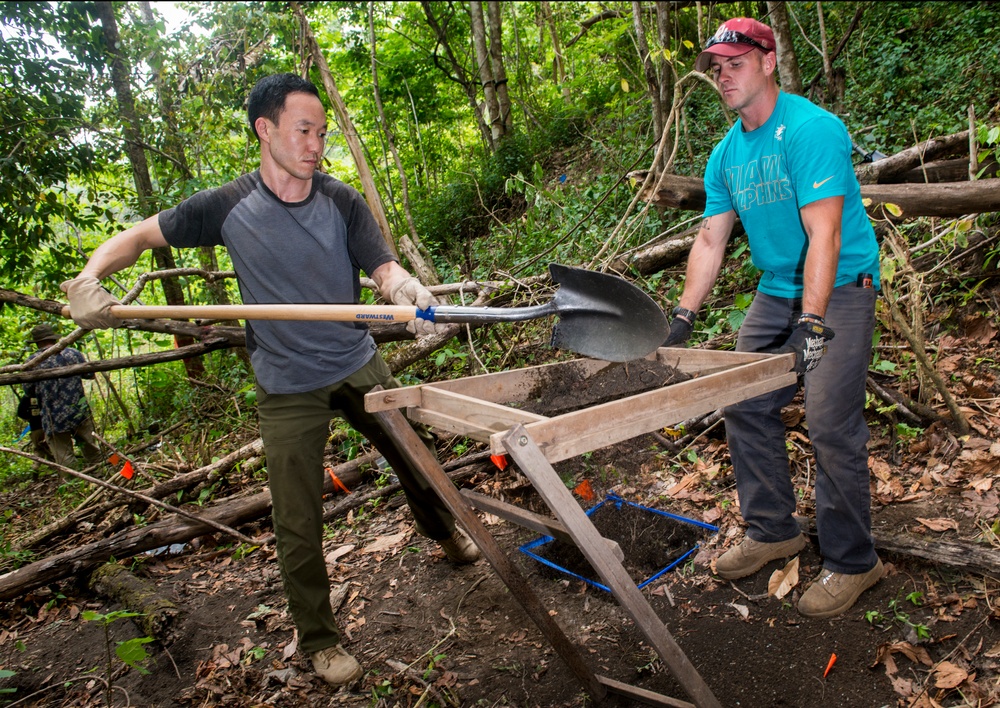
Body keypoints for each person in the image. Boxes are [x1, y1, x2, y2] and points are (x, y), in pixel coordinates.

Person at [61, 73, 480, 686]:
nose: (315, 144)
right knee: (297, 517)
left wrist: (403, 288)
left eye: (321, 132)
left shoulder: (339, 201)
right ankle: (319, 638)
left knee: (417, 459)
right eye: (303, 131)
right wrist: (89, 277)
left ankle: (444, 533)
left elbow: (383, 265)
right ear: (267, 129)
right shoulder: (227, 206)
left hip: (356, 361)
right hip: (286, 384)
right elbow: (137, 236)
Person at [664, 18, 882, 618]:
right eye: (717, 67)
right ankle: (773, 530)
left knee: (829, 421)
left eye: (736, 62)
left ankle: (853, 562)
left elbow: (826, 233)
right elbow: (710, 241)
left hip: (839, 286)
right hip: (777, 286)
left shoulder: (811, 129)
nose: (724, 75)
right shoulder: (726, 154)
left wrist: (811, 324)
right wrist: (682, 317)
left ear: (768, 61)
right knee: (744, 399)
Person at [22, 323, 101, 471]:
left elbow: (28, 391)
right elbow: (90, 374)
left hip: (52, 416)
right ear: (53, 338)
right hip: (78, 410)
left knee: (64, 456)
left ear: (37, 342)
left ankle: (74, 485)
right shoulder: (73, 354)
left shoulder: (32, 362)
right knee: (91, 449)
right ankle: (101, 475)